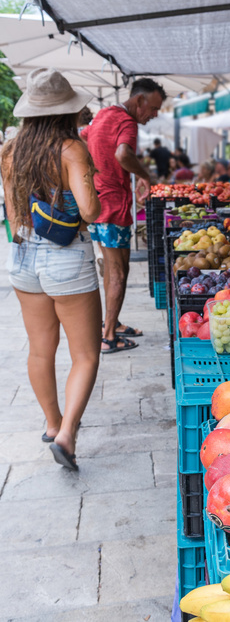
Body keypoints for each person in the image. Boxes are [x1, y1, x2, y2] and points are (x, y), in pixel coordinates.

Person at [1, 67, 102, 471]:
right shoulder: (70, 149)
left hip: (24, 255)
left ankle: (51, 422)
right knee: (86, 355)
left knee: (41, 350)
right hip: (67, 257)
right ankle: (67, 435)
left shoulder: (8, 150)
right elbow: (91, 211)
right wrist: (88, 179)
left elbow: (11, 214)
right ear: (66, 112)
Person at [81, 77, 167, 354]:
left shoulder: (105, 114)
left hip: (97, 204)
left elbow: (84, 138)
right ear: (139, 100)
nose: (153, 115)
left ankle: (112, 323)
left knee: (113, 267)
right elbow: (122, 153)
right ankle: (108, 337)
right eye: (153, 109)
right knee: (118, 272)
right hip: (113, 207)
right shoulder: (126, 122)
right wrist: (145, 175)